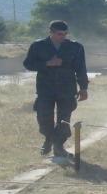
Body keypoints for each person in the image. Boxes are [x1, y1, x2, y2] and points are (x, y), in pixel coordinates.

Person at [22, 20, 89, 159]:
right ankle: (49, 139)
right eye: (59, 34)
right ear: (51, 32)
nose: (63, 36)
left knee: (64, 119)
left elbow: (81, 68)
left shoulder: (75, 47)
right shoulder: (38, 46)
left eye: (65, 34)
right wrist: (47, 63)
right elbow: (28, 64)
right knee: (44, 117)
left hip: (67, 89)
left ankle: (58, 146)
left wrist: (83, 88)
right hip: (45, 89)